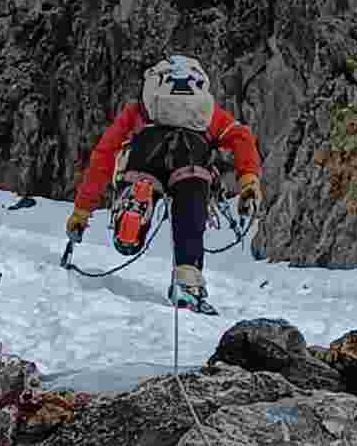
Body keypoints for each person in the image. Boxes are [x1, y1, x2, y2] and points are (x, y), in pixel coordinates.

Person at [65, 55, 264, 315]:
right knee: (190, 211)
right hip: (192, 159)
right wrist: (249, 179)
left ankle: (136, 201)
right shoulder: (207, 113)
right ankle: (187, 281)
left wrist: (82, 210)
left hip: (145, 153)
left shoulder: (138, 110)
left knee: (138, 186)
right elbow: (241, 137)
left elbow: (104, 154)